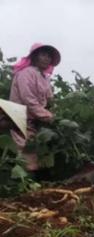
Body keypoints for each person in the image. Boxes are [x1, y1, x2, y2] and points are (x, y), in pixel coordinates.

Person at [9, 43, 61, 171]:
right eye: (43, 55)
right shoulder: (26, 74)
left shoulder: (44, 77)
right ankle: (24, 185)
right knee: (27, 154)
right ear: (35, 56)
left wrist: (56, 112)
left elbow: (49, 99)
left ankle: (34, 185)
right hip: (21, 119)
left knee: (37, 155)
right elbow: (28, 100)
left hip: (36, 121)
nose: (46, 59)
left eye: (49, 56)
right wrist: (48, 116)